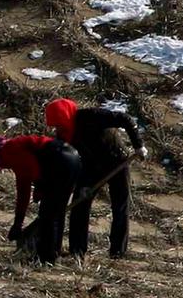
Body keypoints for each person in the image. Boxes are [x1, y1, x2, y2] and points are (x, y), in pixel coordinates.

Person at [46, 98, 145, 259]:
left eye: (59, 123)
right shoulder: (63, 135)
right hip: (90, 167)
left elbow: (125, 119)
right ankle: (77, 250)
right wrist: (81, 184)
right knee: (80, 204)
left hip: (117, 159)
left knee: (120, 205)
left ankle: (117, 252)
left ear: (65, 115)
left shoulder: (91, 116)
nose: (58, 128)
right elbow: (72, 160)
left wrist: (138, 145)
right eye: (55, 125)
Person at [0, 134, 83, 264]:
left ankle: (45, 258)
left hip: (59, 161)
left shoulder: (9, 151)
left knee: (47, 215)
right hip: (73, 159)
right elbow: (23, 190)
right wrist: (18, 223)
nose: (1, 169)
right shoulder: (14, 149)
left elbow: (32, 166)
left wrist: (40, 187)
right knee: (57, 212)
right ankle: (54, 252)